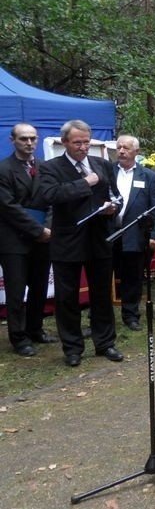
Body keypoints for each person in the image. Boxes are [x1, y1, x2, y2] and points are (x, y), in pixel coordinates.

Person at [37, 120, 124, 366]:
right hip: (67, 242)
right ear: (64, 142)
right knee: (67, 298)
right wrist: (85, 183)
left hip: (99, 240)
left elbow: (115, 195)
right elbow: (50, 195)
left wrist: (114, 208)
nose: (83, 147)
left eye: (86, 142)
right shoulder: (51, 167)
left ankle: (105, 343)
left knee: (101, 295)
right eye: (77, 143)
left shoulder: (103, 164)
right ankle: (73, 348)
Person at [0, 123, 57, 357]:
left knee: (39, 287)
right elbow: (8, 207)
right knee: (15, 291)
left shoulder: (44, 168)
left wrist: (48, 227)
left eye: (33, 138)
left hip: (43, 239)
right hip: (14, 240)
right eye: (24, 139)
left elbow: (52, 199)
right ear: (12, 140)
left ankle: (35, 329)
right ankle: (18, 337)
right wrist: (37, 230)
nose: (29, 143)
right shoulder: (3, 169)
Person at [113, 135, 155, 331]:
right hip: (108, 234)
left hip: (135, 234)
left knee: (132, 276)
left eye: (126, 148)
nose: (122, 151)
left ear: (137, 152)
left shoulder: (149, 176)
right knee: (102, 277)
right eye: (119, 147)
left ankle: (131, 314)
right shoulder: (107, 171)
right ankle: (99, 317)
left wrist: (154, 235)